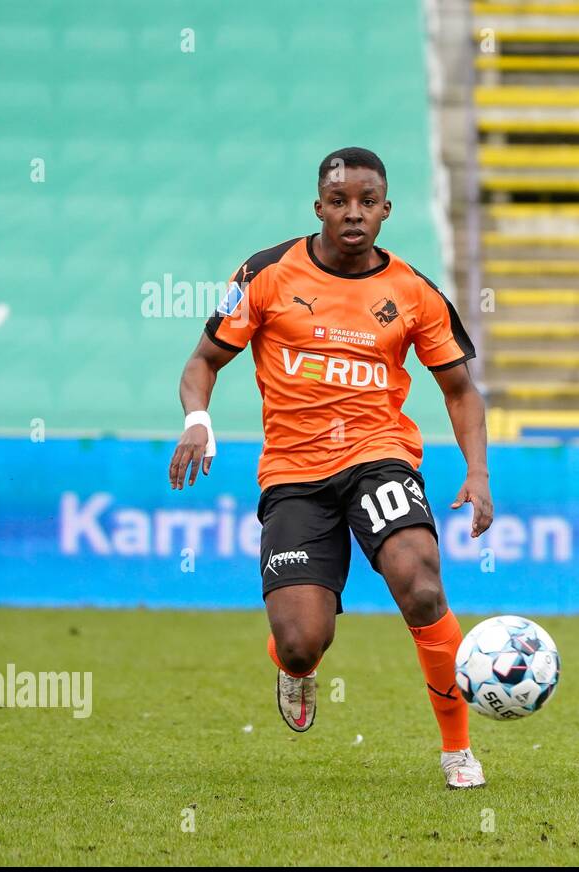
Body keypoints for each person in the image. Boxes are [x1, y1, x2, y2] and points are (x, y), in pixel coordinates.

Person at [168, 147, 494, 789]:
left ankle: (456, 750)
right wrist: (197, 421)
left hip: (379, 457)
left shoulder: (414, 293)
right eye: (339, 201)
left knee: (421, 583)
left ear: (386, 210)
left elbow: (460, 390)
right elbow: (202, 361)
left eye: (367, 202)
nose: (353, 213)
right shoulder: (266, 273)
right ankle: (295, 669)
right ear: (318, 206)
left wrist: (477, 473)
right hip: (293, 473)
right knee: (300, 640)